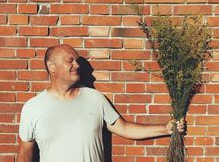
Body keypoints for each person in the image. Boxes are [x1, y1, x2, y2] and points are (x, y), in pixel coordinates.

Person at [17, 44, 185, 162]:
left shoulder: (94, 99)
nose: (76, 65)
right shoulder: (33, 107)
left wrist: (165, 128)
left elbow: (124, 128)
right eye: (70, 61)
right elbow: (25, 154)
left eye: (77, 61)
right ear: (52, 67)